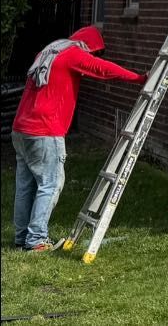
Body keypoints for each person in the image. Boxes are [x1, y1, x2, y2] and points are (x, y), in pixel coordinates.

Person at [11, 25, 147, 251]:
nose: (91, 57)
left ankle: (22, 236)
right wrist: (139, 78)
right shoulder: (73, 53)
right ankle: (36, 241)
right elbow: (103, 69)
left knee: (25, 186)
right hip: (45, 130)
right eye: (93, 52)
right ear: (89, 46)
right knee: (50, 184)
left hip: (21, 128)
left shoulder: (48, 51)